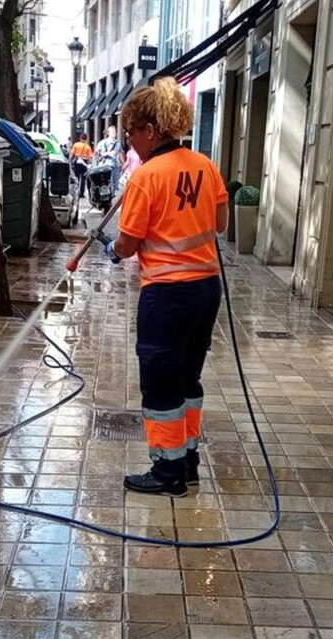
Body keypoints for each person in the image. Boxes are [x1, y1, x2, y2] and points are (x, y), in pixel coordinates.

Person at [106, 78, 228, 497]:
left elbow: (128, 242)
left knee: (160, 381)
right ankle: (188, 460)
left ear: (151, 130)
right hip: (206, 290)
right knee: (188, 377)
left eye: (132, 132)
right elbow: (220, 223)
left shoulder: (146, 177)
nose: (130, 141)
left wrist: (114, 250)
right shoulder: (205, 166)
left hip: (166, 295)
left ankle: (168, 470)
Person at [95, 126, 124, 192]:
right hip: (105, 164)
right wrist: (105, 154)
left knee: (115, 183)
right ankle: (105, 198)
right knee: (106, 183)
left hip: (115, 165)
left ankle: (111, 197)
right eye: (112, 131)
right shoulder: (103, 142)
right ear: (108, 133)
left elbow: (120, 154)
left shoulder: (118, 143)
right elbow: (97, 152)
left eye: (115, 131)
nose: (114, 133)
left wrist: (123, 164)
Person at [70, 133, 93, 199]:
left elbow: (71, 154)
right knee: (83, 178)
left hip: (77, 162)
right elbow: (90, 157)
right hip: (84, 163)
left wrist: (70, 161)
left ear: (80, 138)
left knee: (76, 177)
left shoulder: (76, 145)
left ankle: (76, 191)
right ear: (86, 138)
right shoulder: (88, 147)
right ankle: (81, 193)